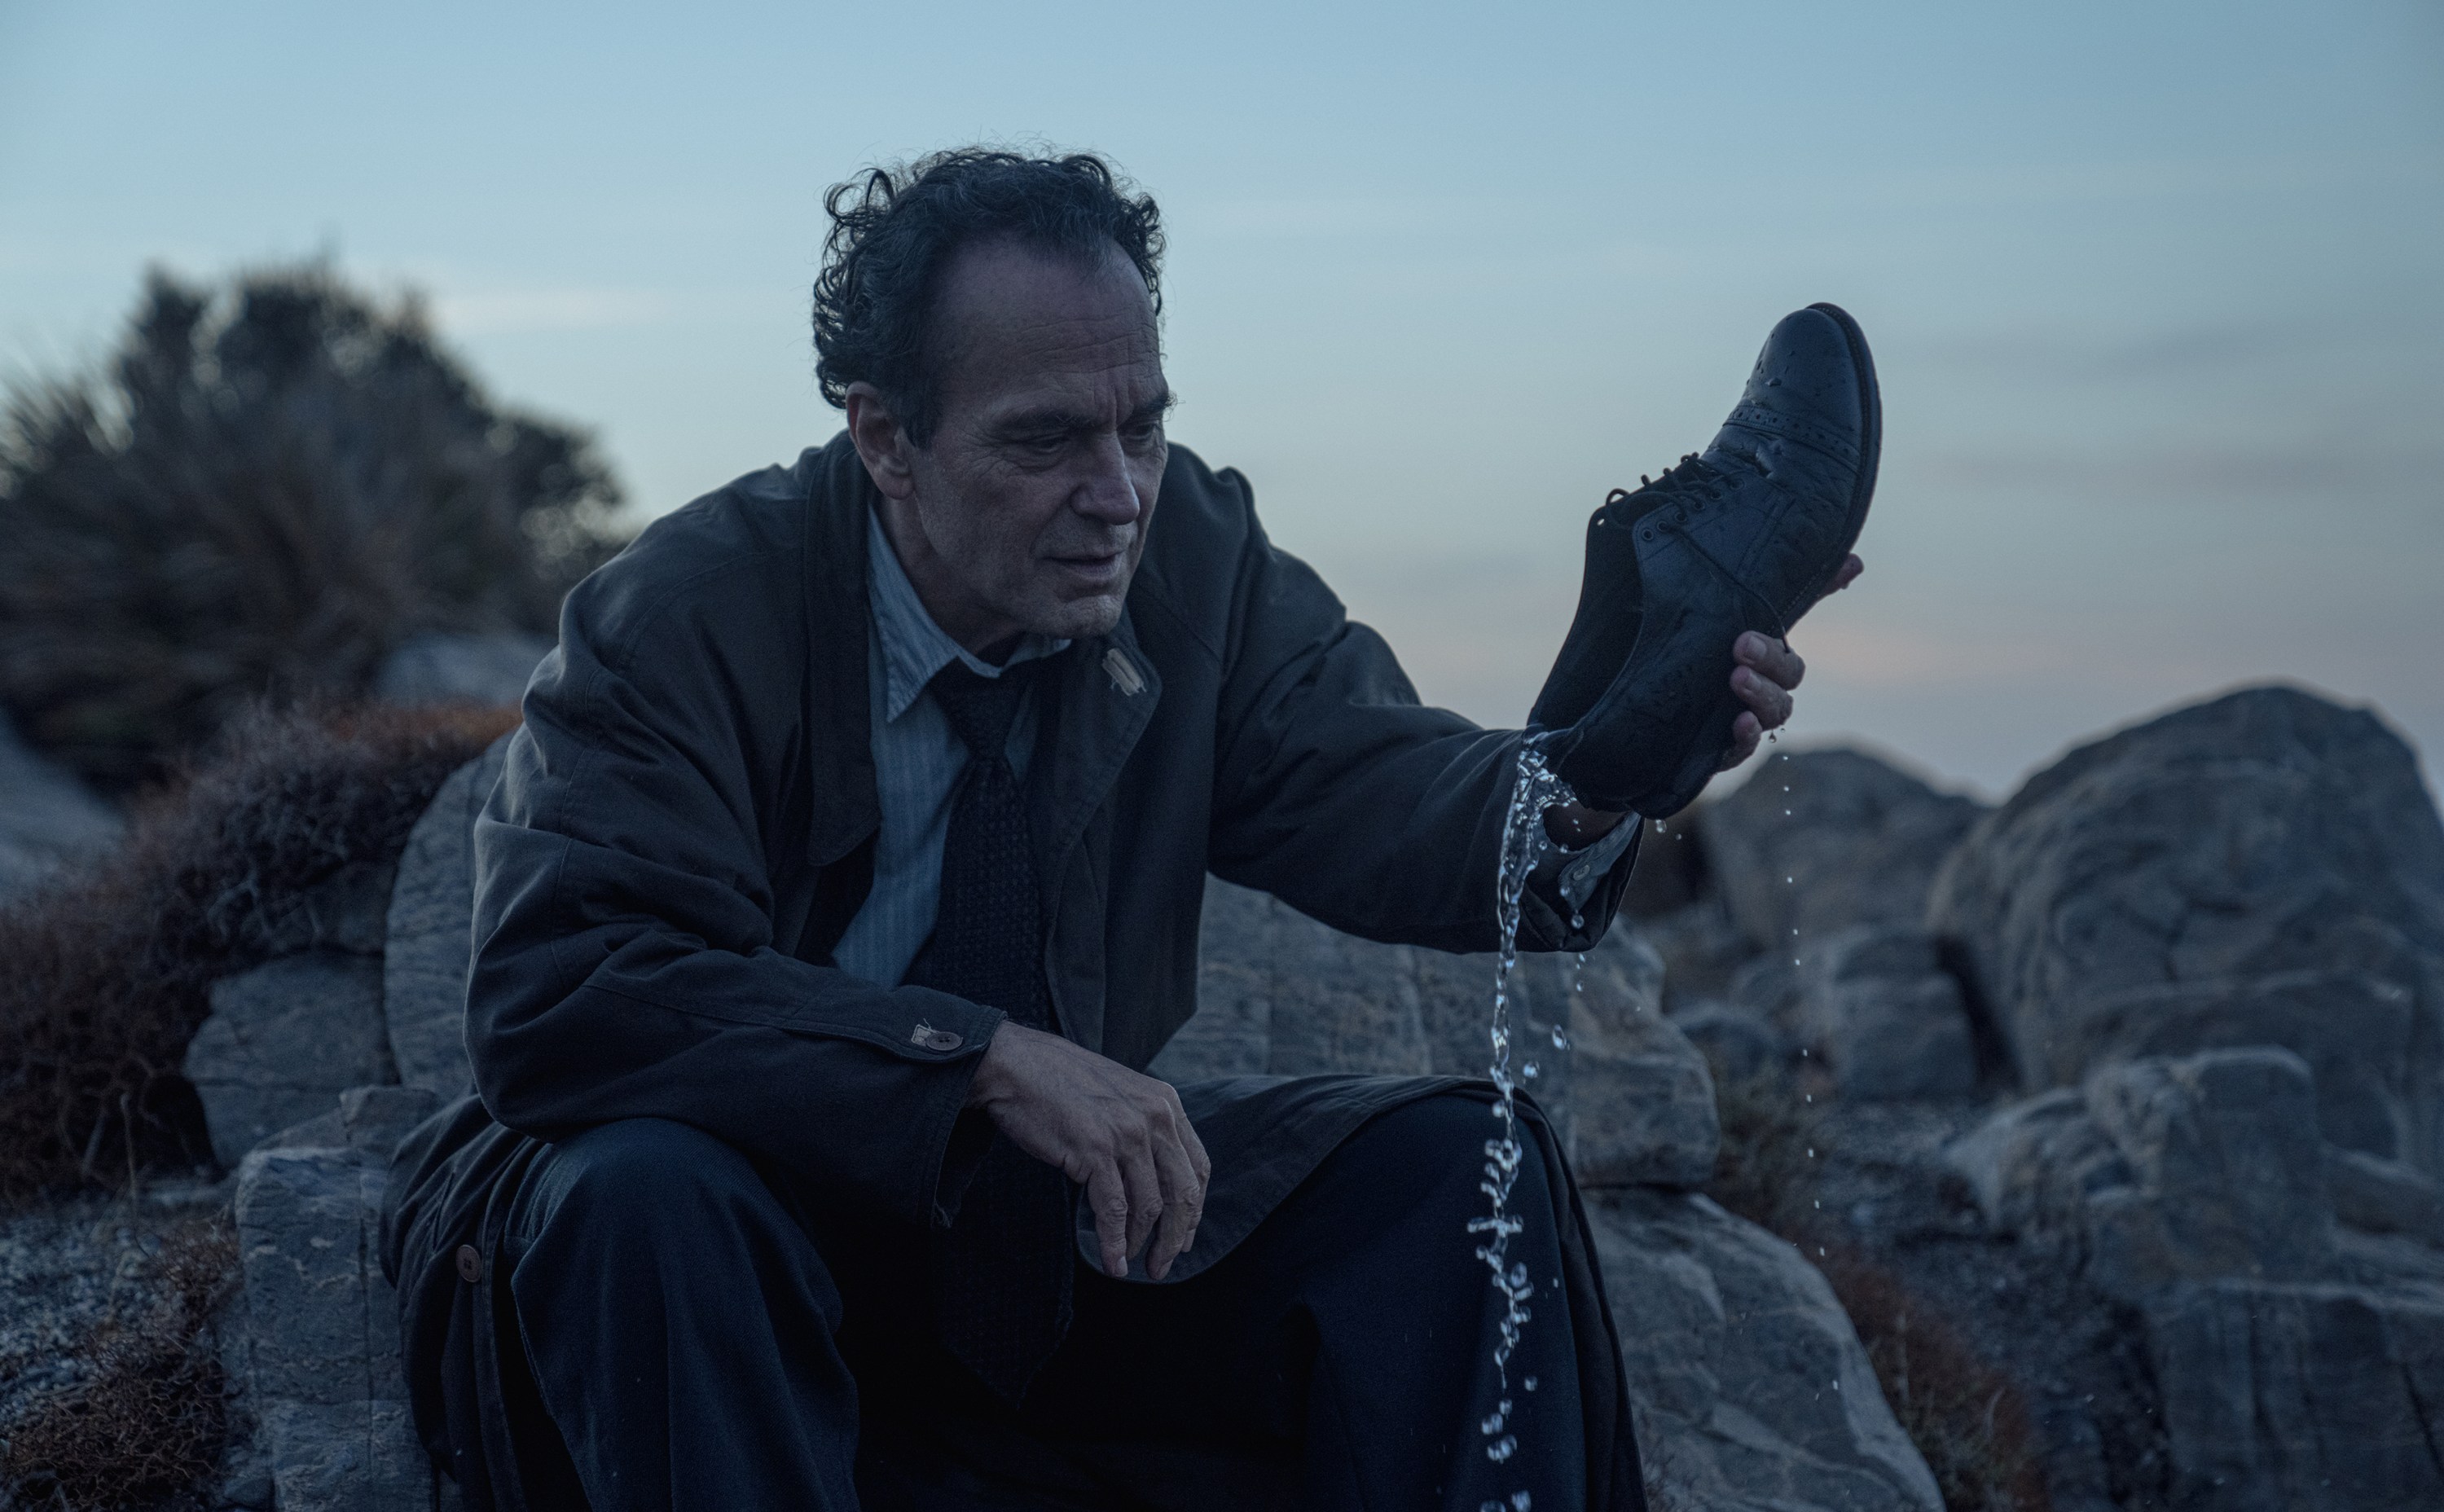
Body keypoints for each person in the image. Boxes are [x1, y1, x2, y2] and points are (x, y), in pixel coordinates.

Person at [382, 147, 1874, 1512]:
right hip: (708, 1262)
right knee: (651, 1195)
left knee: (1453, 1173)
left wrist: (1606, 766)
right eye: (1045, 441)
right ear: (886, 436)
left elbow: (1380, 791)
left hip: (1011, 1253)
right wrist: (972, 1062)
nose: (1116, 496)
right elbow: (563, 993)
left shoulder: (1191, 557)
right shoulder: (688, 614)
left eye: (1143, 426)